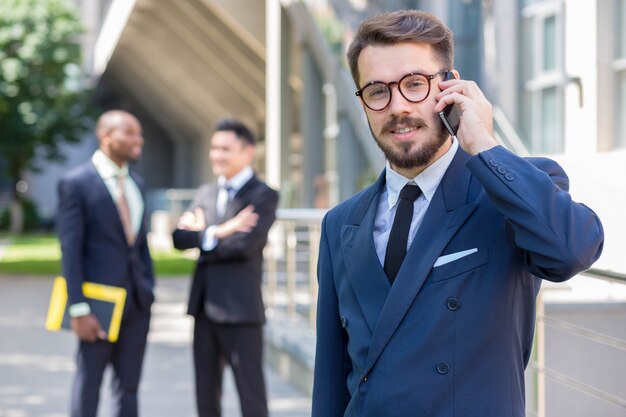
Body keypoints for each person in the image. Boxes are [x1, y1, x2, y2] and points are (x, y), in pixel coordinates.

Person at [312, 10, 604, 417]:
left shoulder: (510, 191)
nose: (398, 106)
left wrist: (483, 142)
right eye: (378, 91)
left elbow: (574, 250)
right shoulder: (340, 223)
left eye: (415, 84)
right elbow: (330, 377)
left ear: (450, 86)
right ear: (363, 101)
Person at [172, 119, 279, 417]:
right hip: (204, 306)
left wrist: (203, 235)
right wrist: (221, 231)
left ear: (247, 153)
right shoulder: (206, 192)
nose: (216, 155)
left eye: (224, 149)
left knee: (251, 397)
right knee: (205, 396)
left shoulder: (263, 195)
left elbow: (244, 246)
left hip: (241, 310)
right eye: (213, 148)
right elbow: (178, 238)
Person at [57, 110, 155, 417]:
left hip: (137, 303)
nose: (138, 140)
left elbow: (138, 246)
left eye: (139, 133)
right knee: (89, 385)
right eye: (129, 132)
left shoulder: (137, 183)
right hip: (97, 307)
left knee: (128, 388)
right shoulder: (76, 183)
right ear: (105, 136)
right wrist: (78, 307)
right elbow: (70, 250)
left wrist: (149, 288)